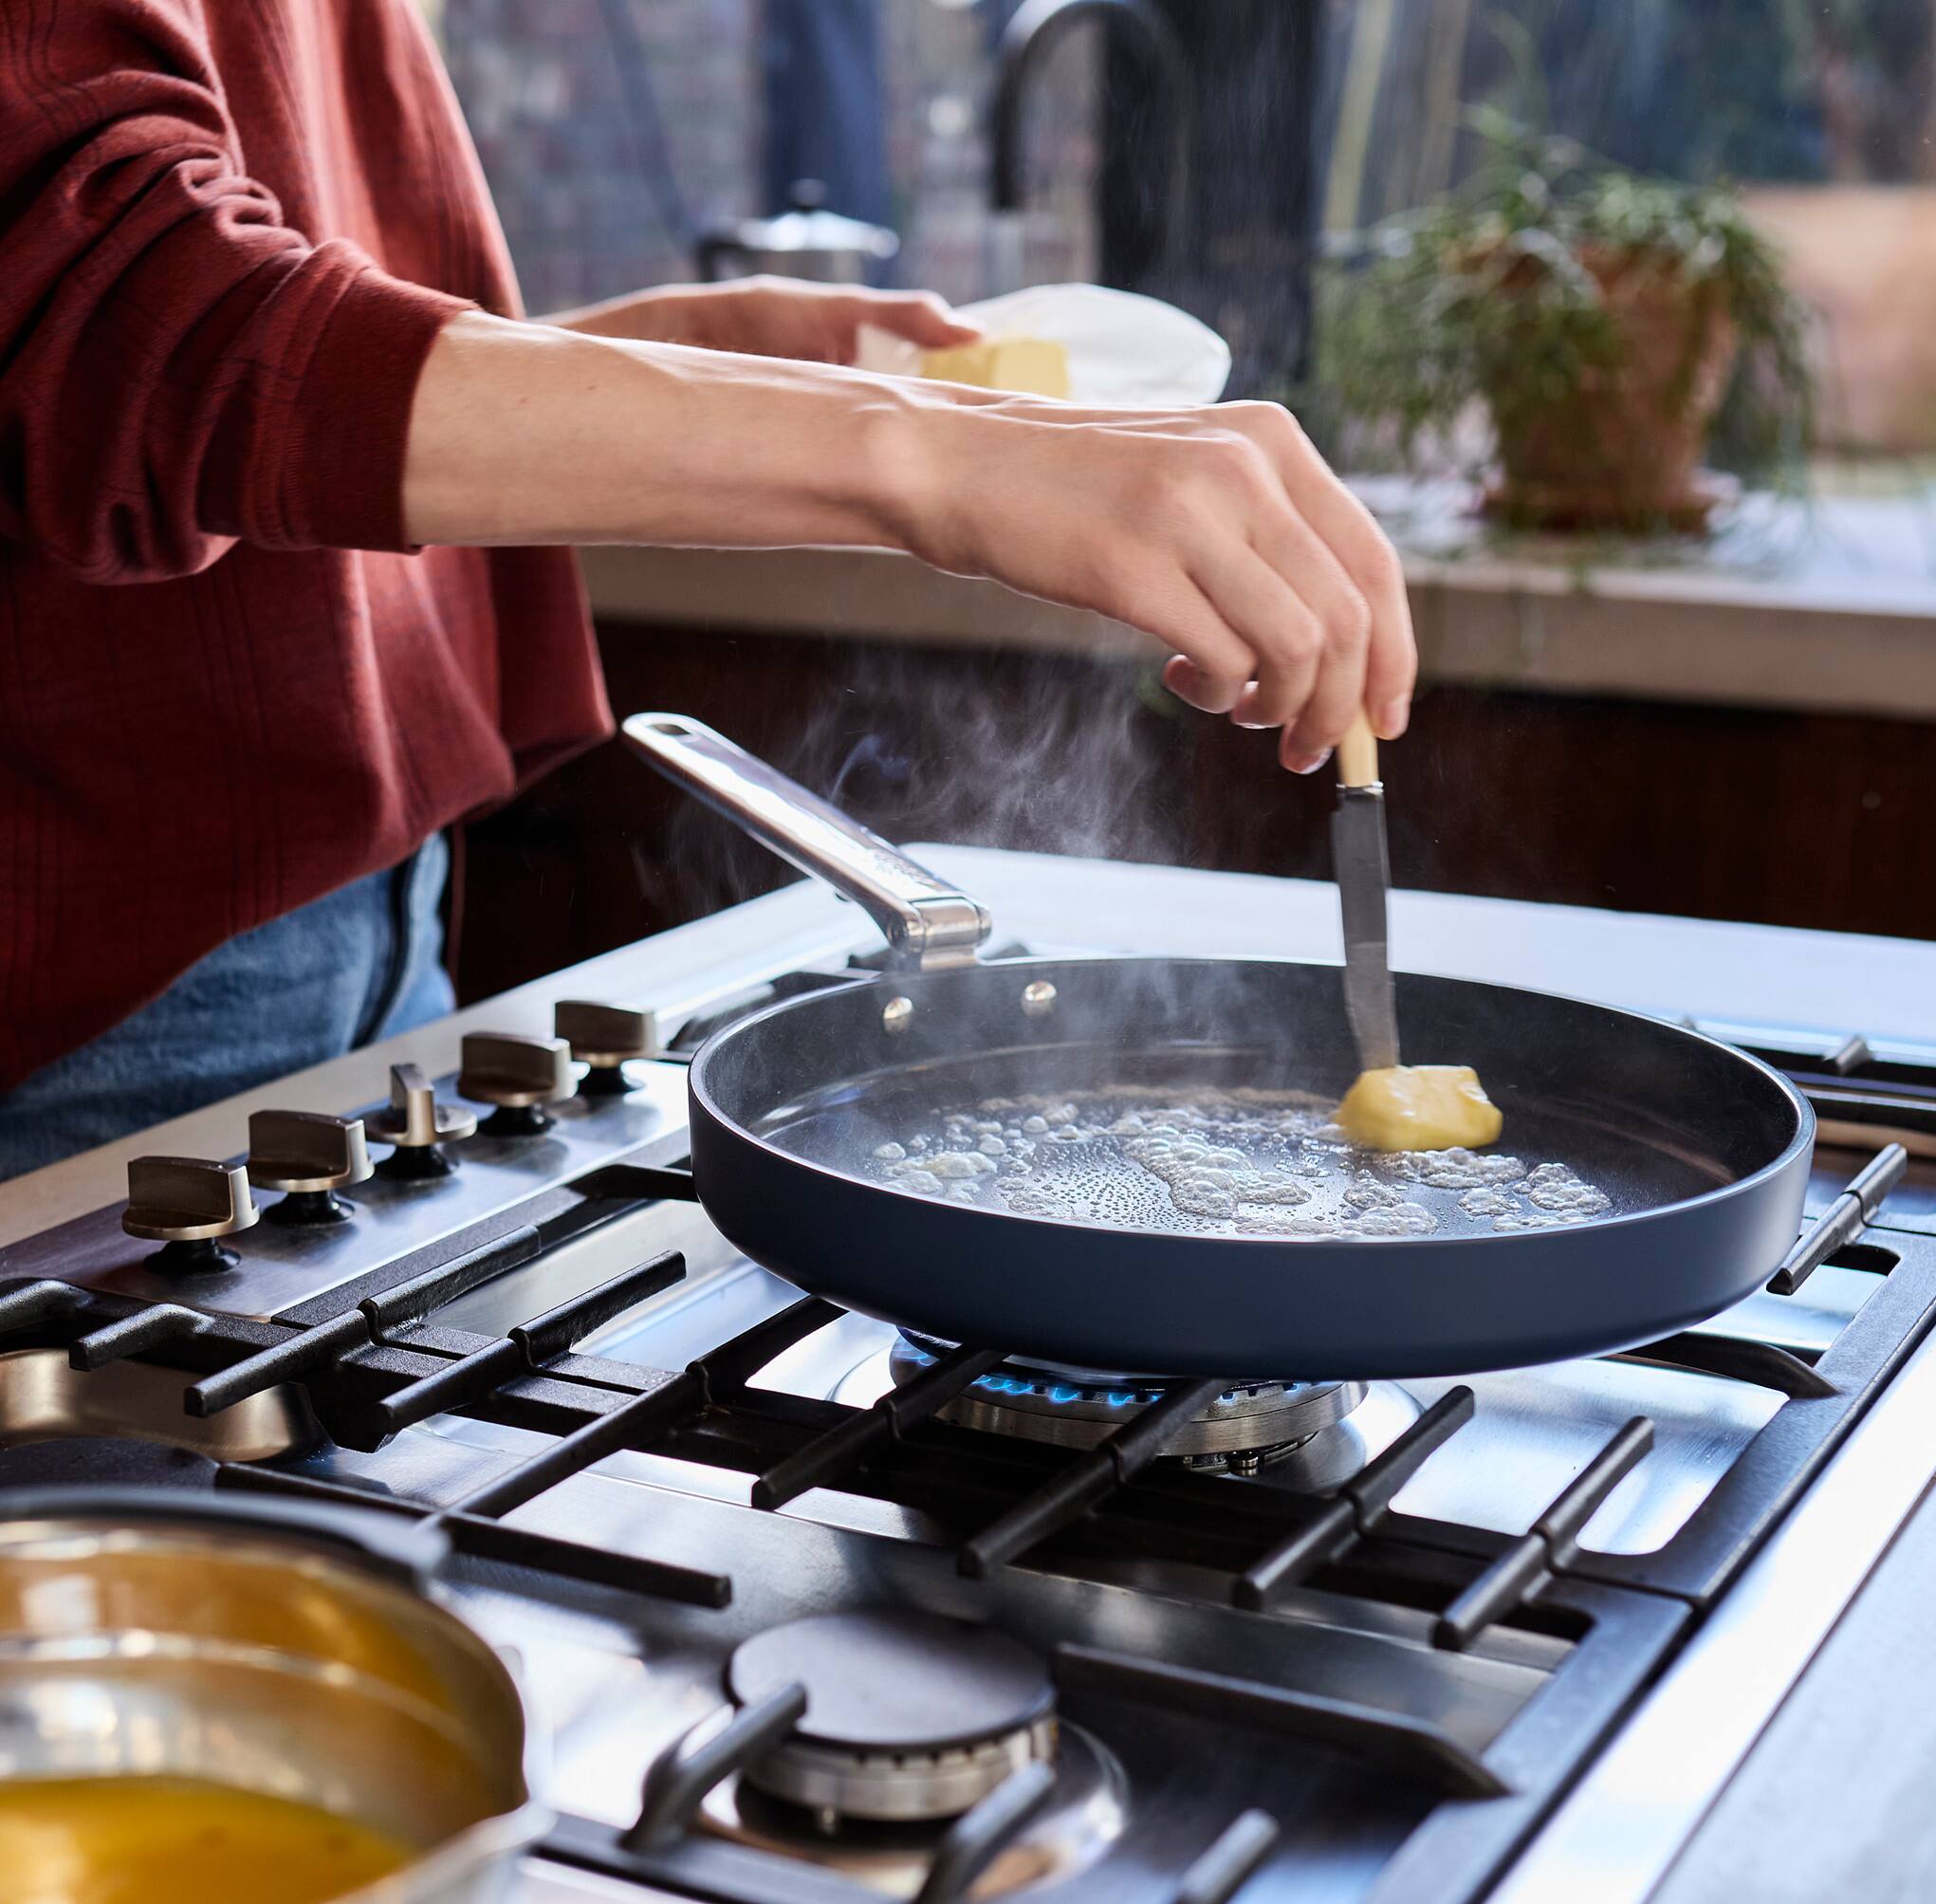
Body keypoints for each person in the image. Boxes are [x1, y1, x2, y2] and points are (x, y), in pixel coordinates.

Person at [0, 0, 1415, 1180]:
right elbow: (145, 348)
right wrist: (932, 458)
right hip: (98, 988)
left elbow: (221, 382)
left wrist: (680, 353)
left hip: (365, 921)